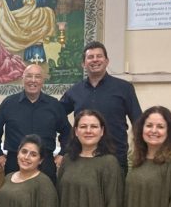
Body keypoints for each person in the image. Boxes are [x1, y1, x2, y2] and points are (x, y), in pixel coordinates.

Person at [59, 41, 142, 174]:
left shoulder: (124, 88)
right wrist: (66, 141)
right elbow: (57, 115)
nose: (95, 60)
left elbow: (138, 121)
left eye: (99, 56)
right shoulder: (74, 91)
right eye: (90, 57)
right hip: (82, 158)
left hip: (116, 156)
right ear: (83, 64)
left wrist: (142, 151)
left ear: (107, 61)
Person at [0, 63, 71, 184]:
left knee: (46, 194)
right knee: (14, 195)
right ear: (22, 78)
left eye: (37, 76)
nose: (33, 80)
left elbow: (67, 131)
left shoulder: (54, 105)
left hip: (45, 163)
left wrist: (62, 154)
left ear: (43, 80)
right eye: (29, 76)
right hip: (15, 162)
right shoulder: (9, 103)